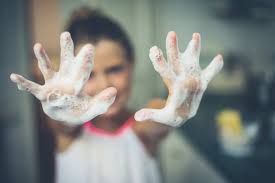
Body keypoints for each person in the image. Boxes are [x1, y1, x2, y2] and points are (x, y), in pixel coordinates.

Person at [10, 7, 223, 183]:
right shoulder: (69, 132)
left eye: (115, 69)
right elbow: (61, 125)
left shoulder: (142, 127)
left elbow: (159, 116)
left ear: (132, 65)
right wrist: (61, 110)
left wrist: (175, 108)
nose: (104, 85)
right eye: (89, 75)